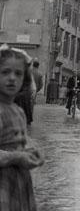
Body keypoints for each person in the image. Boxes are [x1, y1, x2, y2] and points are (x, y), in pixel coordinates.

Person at [0, 44, 44, 210]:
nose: (12, 78)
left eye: (18, 73)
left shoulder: (18, 111)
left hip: (18, 184)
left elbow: (20, 142)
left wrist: (31, 152)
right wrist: (17, 157)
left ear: (25, 79)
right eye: (5, 72)